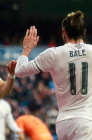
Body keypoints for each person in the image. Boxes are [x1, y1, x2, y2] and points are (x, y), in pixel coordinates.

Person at [15, 11, 92, 140]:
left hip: (62, 123)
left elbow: (19, 71)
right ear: (84, 32)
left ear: (64, 32)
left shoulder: (53, 54)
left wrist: (27, 49)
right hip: (84, 120)